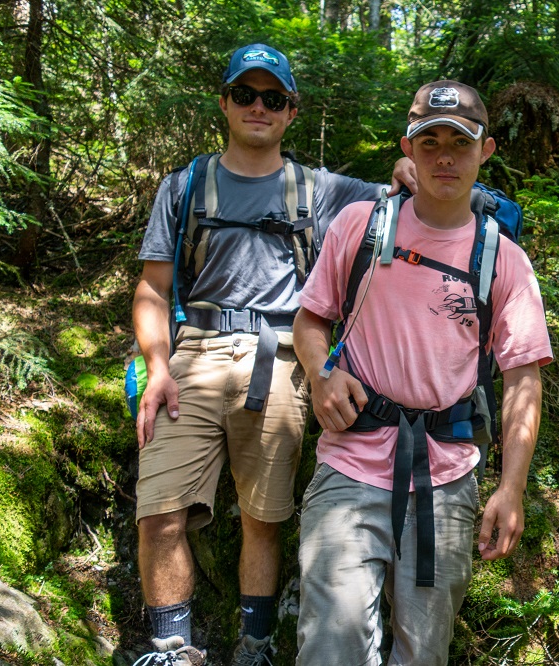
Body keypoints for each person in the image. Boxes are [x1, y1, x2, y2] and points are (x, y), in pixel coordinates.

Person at [131, 43, 415, 666]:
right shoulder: (183, 186)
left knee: (264, 516)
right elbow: (152, 288)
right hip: (192, 359)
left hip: (283, 360)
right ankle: (171, 648)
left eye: (273, 99)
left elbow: (399, 196)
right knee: (160, 510)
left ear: (290, 112)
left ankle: (254, 644)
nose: (258, 107)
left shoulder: (320, 190)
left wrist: (407, 162)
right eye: (245, 95)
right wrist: (155, 368)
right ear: (225, 103)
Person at [292, 79, 553, 665]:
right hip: (351, 463)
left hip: (446, 477)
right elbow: (311, 320)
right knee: (330, 645)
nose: (443, 157)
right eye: (428, 141)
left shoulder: (502, 259)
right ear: (407, 148)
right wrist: (320, 374)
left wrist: (511, 489)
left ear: (485, 151)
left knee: (425, 651)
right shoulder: (360, 227)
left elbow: (522, 382)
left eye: (459, 143)